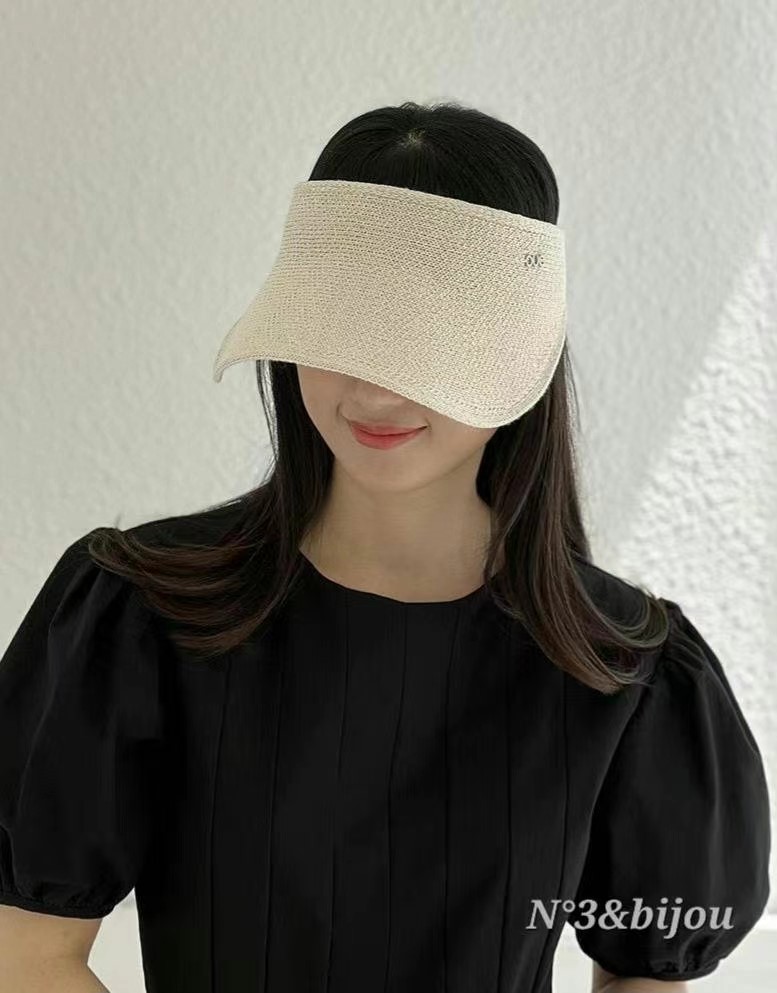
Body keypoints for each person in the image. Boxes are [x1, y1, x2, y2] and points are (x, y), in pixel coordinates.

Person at [0, 101, 770, 993]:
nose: (373, 389)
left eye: (425, 339)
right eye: (339, 326)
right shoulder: (137, 614)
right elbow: (26, 952)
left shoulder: (624, 669)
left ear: (518, 354)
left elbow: (646, 973)